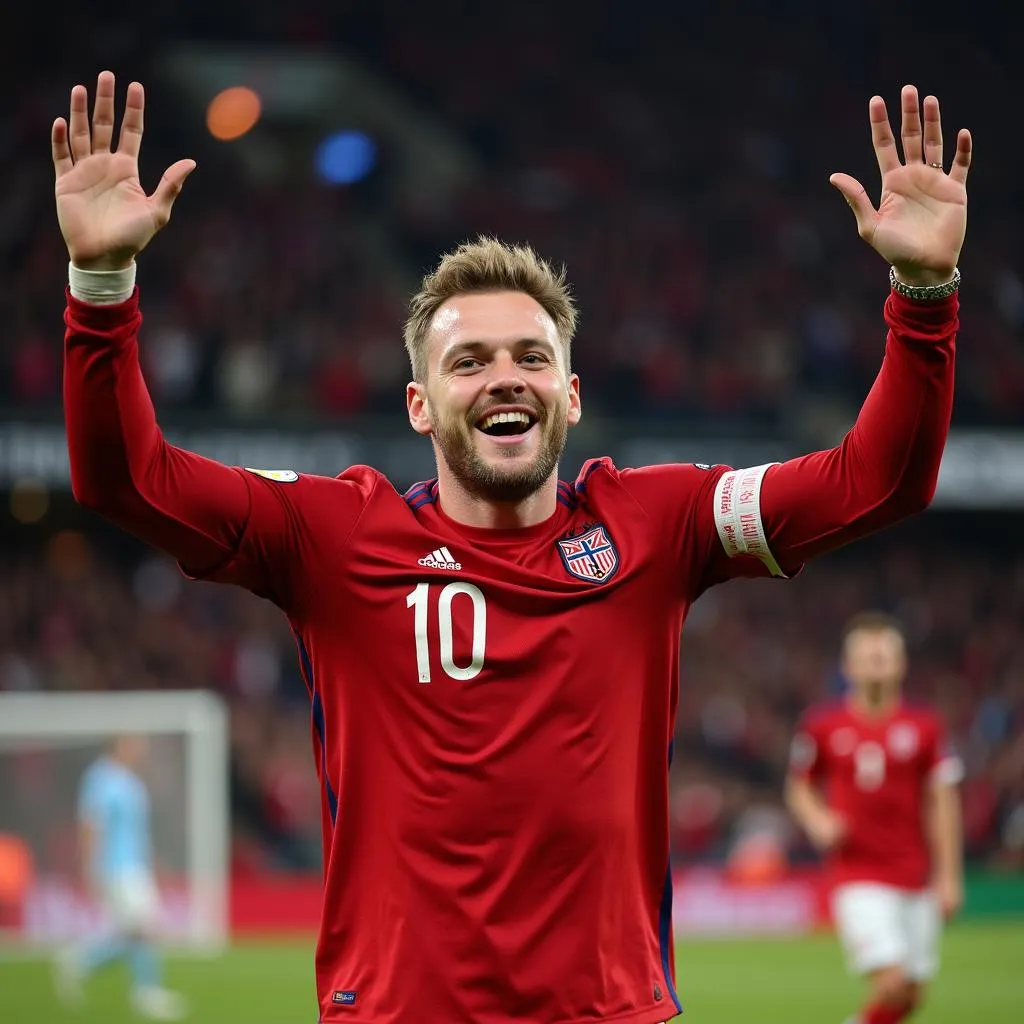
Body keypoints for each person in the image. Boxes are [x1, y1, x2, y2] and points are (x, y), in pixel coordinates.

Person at [53, 70, 971, 1024]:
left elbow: (878, 481)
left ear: (570, 396)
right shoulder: (331, 535)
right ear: (420, 405)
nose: (506, 378)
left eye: (533, 357)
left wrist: (926, 294)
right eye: (468, 361)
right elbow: (126, 479)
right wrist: (101, 287)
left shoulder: (659, 524)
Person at [785, 613, 964, 1024]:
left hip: (915, 875)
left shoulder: (925, 727)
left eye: (883, 657)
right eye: (866, 658)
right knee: (893, 981)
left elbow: (943, 801)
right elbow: (798, 786)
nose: (875, 665)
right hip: (858, 875)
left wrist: (949, 876)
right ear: (848, 667)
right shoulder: (822, 725)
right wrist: (818, 820)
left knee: (912, 994)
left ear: (901, 665)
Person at [54, 735, 187, 1020]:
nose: (141, 749)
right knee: (144, 928)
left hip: (135, 865)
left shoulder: (130, 781)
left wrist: (153, 861)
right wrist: (90, 866)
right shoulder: (100, 778)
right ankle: (146, 993)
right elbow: (91, 824)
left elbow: (136, 829)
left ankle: (79, 962)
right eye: (135, 743)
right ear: (119, 745)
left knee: (134, 932)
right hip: (115, 866)